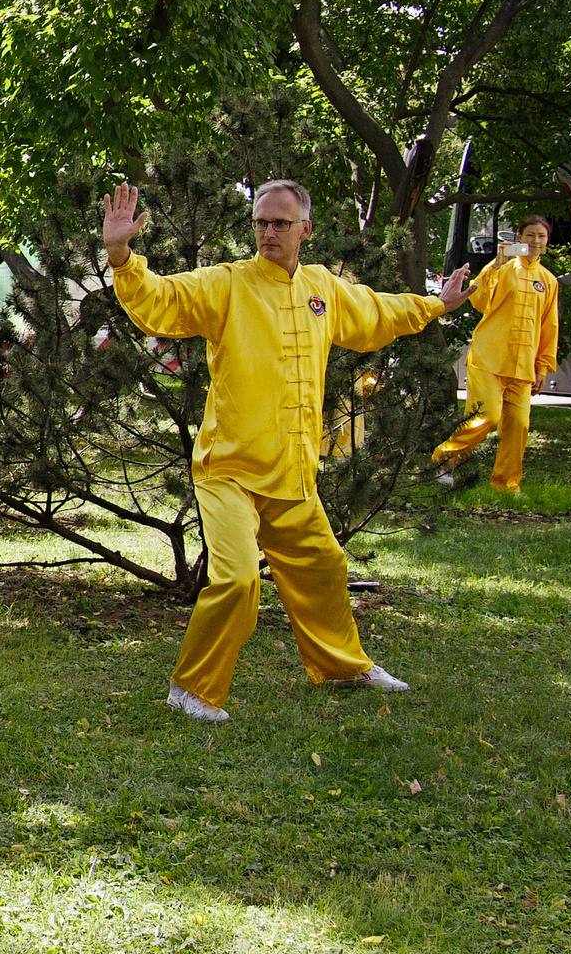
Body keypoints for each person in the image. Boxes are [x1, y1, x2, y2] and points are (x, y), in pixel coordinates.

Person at [101, 179, 471, 722]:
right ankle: (191, 687)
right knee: (238, 579)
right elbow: (161, 301)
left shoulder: (324, 288)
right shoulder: (228, 283)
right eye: (260, 223)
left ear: (306, 230)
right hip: (228, 470)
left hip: (294, 474)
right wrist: (120, 255)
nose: (268, 232)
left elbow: (378, 315)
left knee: (323, 566)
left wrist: (435, 305)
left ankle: (343, 664)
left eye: (279, 223)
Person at [434, 215, 559, 491]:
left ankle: (506, 484)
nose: (535, 241)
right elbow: (478, 300)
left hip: (523, 365)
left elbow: (549, 326)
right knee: (486, 417)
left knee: (518, 427)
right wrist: (495, 265)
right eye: (530, 235)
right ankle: (444, 459)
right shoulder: (502, 268)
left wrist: (542, 368)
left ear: (547, 242)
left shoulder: (548, 281)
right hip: (489, 358)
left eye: (541, 236)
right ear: (519, 238)